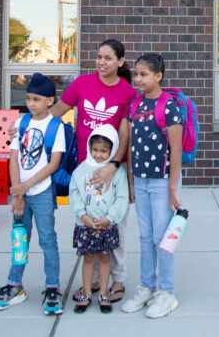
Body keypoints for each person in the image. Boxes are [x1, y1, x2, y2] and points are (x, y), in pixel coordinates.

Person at [9, 38, 137, 302]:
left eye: (108, 58)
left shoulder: (127, 92)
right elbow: (53, 112)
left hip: (112, 170)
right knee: (88, 224)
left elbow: (125, 134)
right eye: (99, 56)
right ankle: (91, 281)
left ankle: (118, 280)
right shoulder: (82, 84)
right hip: (85, 169)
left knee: (115, 225)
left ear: (120, 62)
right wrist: (26, 124)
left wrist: (115, 165)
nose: (101, 62)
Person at [0, 72, 65, 315]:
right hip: (21, 194)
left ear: (50, 101)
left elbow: (53, 164)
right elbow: (13, 158)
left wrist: (26, 186)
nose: (31, 103)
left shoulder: (56, 126)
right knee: (20, 238)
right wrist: (17, 192)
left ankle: (52, 286)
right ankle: (15, 284)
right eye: (28, 98)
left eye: (36, 99)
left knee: (47, 240)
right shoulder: (21, 123)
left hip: (41, 192)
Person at [120, 53, 184, 319]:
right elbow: (133, 147)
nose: (138, 79)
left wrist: (172, 189)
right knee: (146, 237)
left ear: (158, 76)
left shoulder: (169, 106)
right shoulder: (135, 105)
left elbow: (176, 150)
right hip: (142, 180)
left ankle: (166, 292)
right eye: (136, 74)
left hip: (162, 182)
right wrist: (132, 181)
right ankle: (146, 287)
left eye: (144, 74)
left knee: (162, 239)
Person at [69, 123, 129, 313]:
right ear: (89, 147)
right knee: (88, 259)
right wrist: (82, 215)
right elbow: (74, 193)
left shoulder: (117, 173)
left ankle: (103, 293)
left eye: (104, 151)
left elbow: (122, 198)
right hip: (86, 225)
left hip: (106, 226)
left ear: (112, 151)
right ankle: (87, 293)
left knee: (105, 259)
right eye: (95, 149)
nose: (98, 154)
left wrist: (110, 218)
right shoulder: (81, 170)